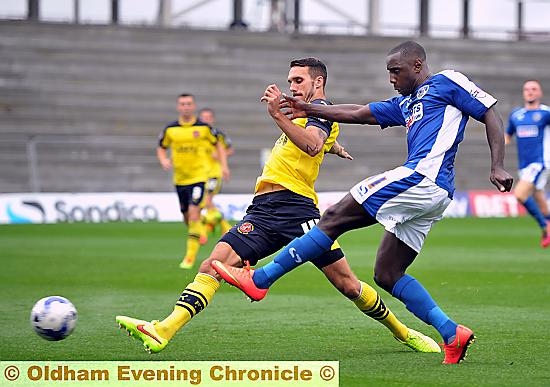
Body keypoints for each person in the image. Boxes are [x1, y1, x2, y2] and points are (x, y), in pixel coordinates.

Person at [212, 41, 514, 365]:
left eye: (396, 71)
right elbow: (360, 113)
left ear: (417, 65)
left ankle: (260, 280)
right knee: (388, 273)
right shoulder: (407, 104)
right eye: (388, 72)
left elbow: (489, 113)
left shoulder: (446, 82)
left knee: (333, 218)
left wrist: (497, 163)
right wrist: (311, 110)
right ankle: (451, 332)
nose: (391, 78)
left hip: (423, 176)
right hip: (434, 193)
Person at [116, 57, 441, 355]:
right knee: (213, 264)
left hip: (297, 209)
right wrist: (335, 146)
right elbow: (318, 140)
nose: (292, 87)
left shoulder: (319, 109)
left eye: (299, 81)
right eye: (290, 81)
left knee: (347, 284)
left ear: (318, 82)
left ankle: (403, 332)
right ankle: (163, 329)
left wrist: (278, 117)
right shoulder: (306, 114)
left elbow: (312, 143)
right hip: (263, 209)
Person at [156, 94, 230, 269]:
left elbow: (219, 145)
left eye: (189, 103)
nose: (186, 107)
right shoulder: (170, 129)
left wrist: (224, 165)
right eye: (182, 104)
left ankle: (189, 258)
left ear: (194, 106)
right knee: (187, 217)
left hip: (200, 177)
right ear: (178, 107)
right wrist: (163, 160)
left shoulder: (204, 128)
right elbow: (161, 146)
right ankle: (207, 226)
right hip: (180, 179)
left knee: (195, 211)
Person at [505, 80, 550, 248]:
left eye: (534, 89)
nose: (530, 92)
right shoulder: (517, 115)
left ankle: (544, 226)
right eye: (527, 89)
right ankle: (547, 225)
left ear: (540, 93)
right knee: (540, 200)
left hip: (540, 162)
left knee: (520, 194)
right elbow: (508, 136)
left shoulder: (546, 113)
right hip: (524, 166)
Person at [198, 107, 234, 242]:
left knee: (206, 201)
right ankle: (221, 226)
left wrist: (219, 156)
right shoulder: (197, 133)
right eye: (203, 118)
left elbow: (229, 150)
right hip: (199, 173)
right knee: (203, 203)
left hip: (213, 172)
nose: (206, 120)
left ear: (212, 119)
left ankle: (204, 232)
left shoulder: (218, 135)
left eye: (208, 118)